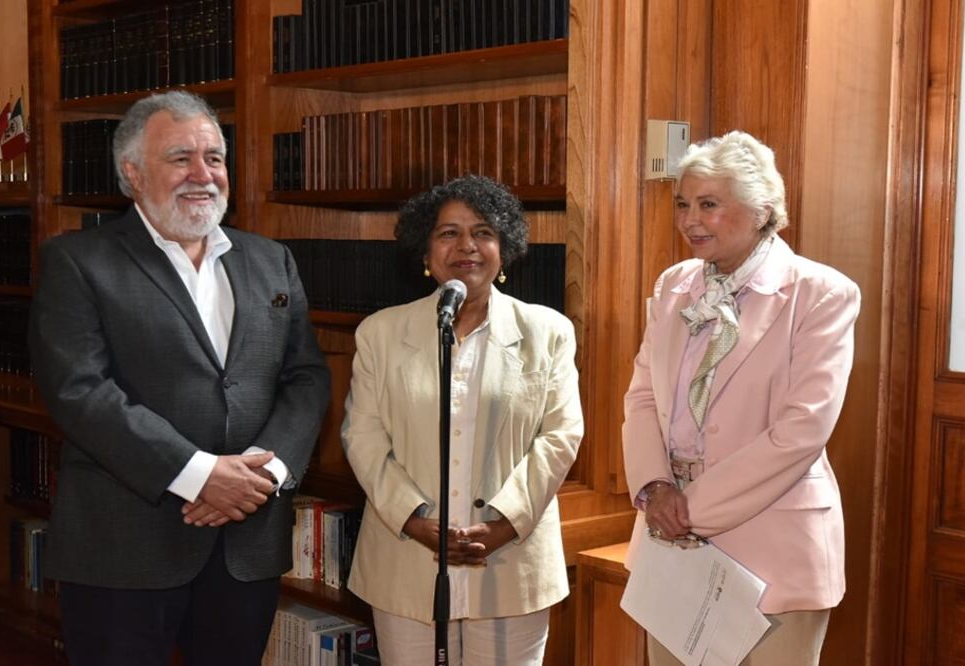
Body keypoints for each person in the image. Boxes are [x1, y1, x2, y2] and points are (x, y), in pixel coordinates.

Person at [28, 90, 330, 666]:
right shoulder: (77, 261)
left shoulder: (272, 259)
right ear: (133, 173)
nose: (203, 174)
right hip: (125, 548)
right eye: (180, 158)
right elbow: (79, 391)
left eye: (214, 158)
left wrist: (263, 474)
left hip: (245, 542)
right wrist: (199, 475)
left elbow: (307, 377)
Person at [621, 130, 860, 665]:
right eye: (682, 204)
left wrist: (688, 510)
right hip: (669, 540)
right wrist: (655, 489)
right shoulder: (674, 285)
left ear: (762, 210)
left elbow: (802, 430)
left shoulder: (821, 293)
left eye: (708, 204)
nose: (689, 220)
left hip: (775, 548)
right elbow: (641, 398)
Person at [340, 174, 583, 665]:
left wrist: (502, 525)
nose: (467, 246)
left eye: (483, 232)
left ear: (503, 249)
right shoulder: (380, 333)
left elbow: (560, 436)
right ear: (426, 251)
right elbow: (362, 437)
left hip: (511, 561)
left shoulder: (548, 331)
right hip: (407, 559)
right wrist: (414, 520)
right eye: (448, 233)